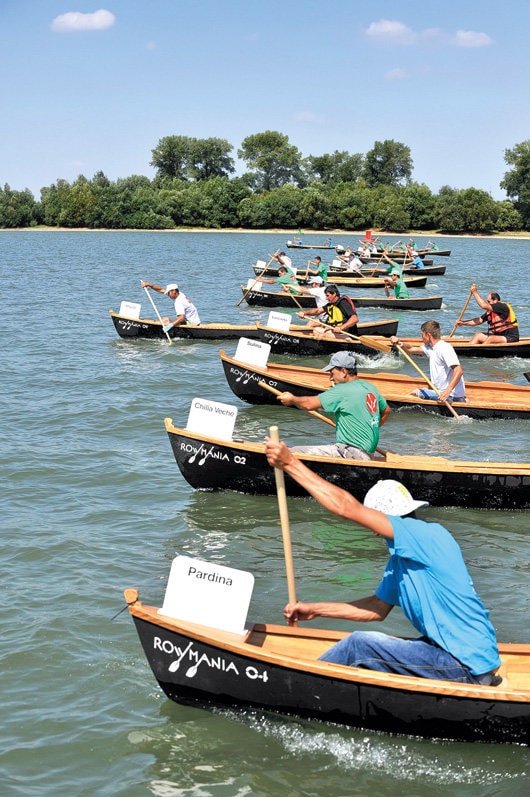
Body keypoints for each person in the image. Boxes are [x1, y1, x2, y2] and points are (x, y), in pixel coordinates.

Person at [264, 440, 502, 686]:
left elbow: (347, 508)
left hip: (465, 665)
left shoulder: (425, 534)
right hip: (461, 658)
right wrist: (314, 609)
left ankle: (297, 687)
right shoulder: (401, 559)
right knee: (372, 645)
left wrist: (291, 463)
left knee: (358, 645)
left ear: (377, 524)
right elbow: (376, 609)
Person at [273, 350, 390, 460]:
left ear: (344, 371)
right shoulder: (370, 387)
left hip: (350, 453)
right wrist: (367, 429)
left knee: (294, 451)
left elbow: (308, 404)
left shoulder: (342, 390)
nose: (330, 378)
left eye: (332, 373)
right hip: (369, 455)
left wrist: (292, 399)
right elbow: (386, 411)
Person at [390, 320, 466, 402]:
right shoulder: (429, 348)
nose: (421, 337)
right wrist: (399, 342)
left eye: (422, 335)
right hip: (441, 392)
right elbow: (410, 349)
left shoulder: (444, 348)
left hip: (450, 395)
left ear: (428, 335)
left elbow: (459, 371)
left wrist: (447, 391)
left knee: (414, 393)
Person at [454, 284, 519, 344]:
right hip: (498, 336)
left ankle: (478, 353)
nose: (488, 303)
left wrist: (475, 292)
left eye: (489, 301)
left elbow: (483, 305)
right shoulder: (491, 312)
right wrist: (462, 323)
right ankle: (468, 350)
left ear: (495, 300)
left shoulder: (501, 306)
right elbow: (479, 320)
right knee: (478, 335)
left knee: (491, 339)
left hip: (511, 337)